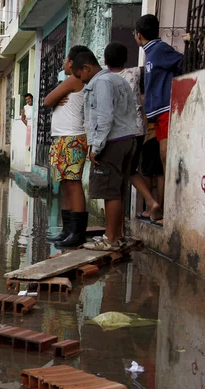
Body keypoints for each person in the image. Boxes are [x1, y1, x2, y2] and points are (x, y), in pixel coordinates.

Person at [72, 50, 137, 251]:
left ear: (86, 68)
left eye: (80, 76)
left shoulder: (100, 83)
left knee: (110, 192)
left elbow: (105, 117)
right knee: (118, 190)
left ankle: (110, 239)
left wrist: (96, 147)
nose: (81, 82)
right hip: (128, 138)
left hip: (112, 141)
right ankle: (117, 236)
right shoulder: (119, 80)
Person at [103, 42, 162, 223]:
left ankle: (147, 205)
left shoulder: (105, 80)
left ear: (105, 61)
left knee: (121, 174)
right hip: (139, 129)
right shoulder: (136, 73)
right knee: (130, 169)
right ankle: (150, 203)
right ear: (126, 59)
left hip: (120, 133)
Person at [134, 14, 183, 224]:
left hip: (165, 111)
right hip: (157, 114)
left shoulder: (159, 49)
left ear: (138, 35)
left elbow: (181, 62)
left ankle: (164, 212)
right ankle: (158, 211)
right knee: (159, 163)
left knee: (165, 159)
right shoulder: (151, 51)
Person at [43, 45, 91, 247]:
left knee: (73, 183)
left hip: (72, 137)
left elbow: (47, 100)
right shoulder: (70, 81)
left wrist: (57, 96)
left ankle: (77, 233)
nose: (63, 63)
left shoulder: (73, 80)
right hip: (62, 138)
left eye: (65, 60)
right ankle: (67, 230)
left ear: (71, 62)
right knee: (64, 184)